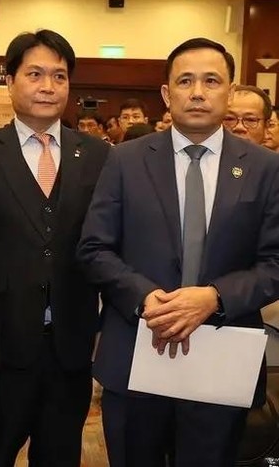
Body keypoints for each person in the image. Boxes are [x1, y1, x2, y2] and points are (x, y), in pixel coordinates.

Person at [77, 37, 279, 467]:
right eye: (185, 81)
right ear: (168, 94)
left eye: (211, 81)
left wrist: (215, 298)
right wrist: (146, 298)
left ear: (229, 90)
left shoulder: (265, 168)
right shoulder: (125, 161)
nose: (198, 92)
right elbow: (95, 248)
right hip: (137, 350)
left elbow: (275, 263)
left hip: (221, 358)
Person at [0, 29, 110, 467]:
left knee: (60, 456)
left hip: (72, 347)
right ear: (9, 80)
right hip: (0, 348)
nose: (47, 86)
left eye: (59, 76)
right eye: (35, 73)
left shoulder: (98, 155)